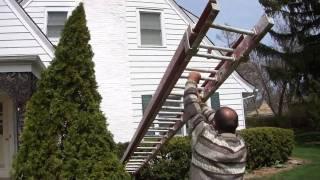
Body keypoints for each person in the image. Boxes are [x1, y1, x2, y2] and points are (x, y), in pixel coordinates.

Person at [184, 72, 247, 180]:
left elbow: (192, 109)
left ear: (214, 124)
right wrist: (202, 104)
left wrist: (191, 81)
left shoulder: (205, 137)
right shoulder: (241, 146)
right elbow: (215, 119)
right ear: (236, 125)